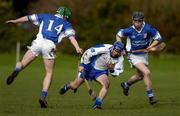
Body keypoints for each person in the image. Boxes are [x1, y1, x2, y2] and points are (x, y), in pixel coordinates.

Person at [5, 6, 83, 108]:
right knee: (49, 72)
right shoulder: (65, 23)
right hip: (49, 45)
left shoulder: (45, 16)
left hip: (38, 43)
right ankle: (43, 97)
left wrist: (16, 21)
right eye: (66, 17)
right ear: (64, 16)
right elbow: (71, 37)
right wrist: (77, 47)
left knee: (22, 63)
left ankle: (17, 69)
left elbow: (28, 18)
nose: (66, 19)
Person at [59, 41, 124, 109]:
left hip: (100, 71)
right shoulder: (104, 48)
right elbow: (88, 52)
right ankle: (67, 86)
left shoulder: (120, 58)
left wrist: (111, 70)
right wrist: (82, 65)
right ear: (113, 48)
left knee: (106, 84)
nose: (116, 53)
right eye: (116, 51)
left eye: (119, 52)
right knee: (75, 86)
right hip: (89, 66)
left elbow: (116, 73)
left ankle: (97, 104)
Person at [116, 11, 162, 104]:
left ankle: (126, 84)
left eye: (139, 21)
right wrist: (120, 47)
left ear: (142, 21)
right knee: (146, 72)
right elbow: (118, 34)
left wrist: (150, 47)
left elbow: (158, 37)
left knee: (140, 76)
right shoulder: (129, 30)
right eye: (135, 21)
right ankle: (151, 97)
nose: (137, 23)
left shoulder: (148, 28)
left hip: (144, 55)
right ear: (132, 21)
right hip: (133, 55)